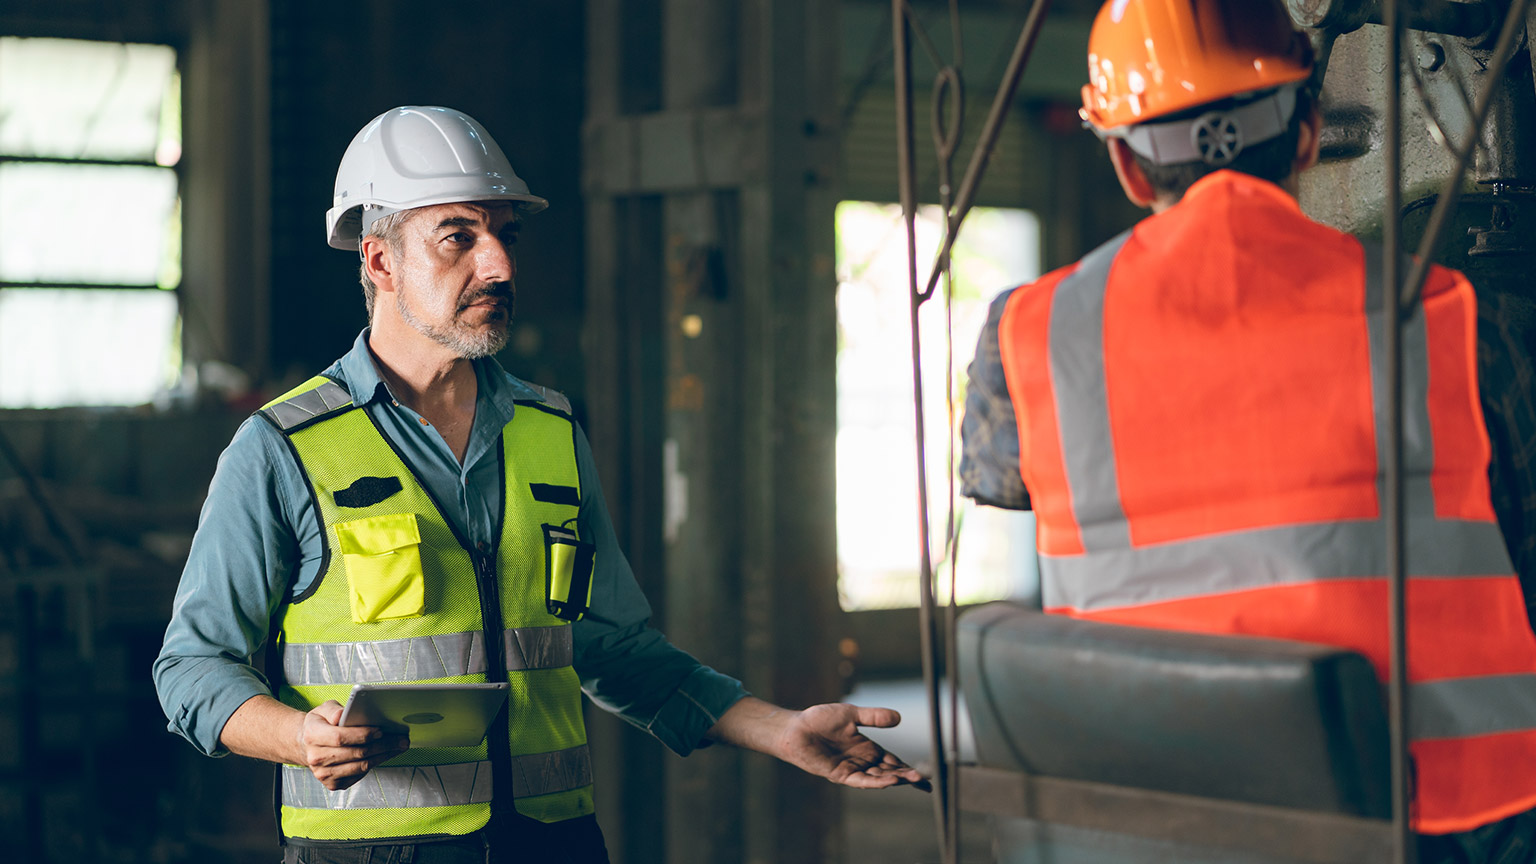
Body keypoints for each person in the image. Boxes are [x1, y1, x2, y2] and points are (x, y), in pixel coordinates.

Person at [154, 105, 923, 863]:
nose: (500, 264)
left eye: (505, 235)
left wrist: (777, 728)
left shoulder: (549, 431)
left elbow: (606, 646)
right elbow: (191, 669)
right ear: (379, 260)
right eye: (460, 235)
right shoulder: (284, 447)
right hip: (375, 853)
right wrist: (298, 737)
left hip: (556, 845)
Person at [959, 0, 1536, 860]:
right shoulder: (1455, 318)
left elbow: (998, 482)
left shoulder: (1026, 334)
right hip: (1439, 810)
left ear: (1123, 160)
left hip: (1155, 808)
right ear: (1306, 131)